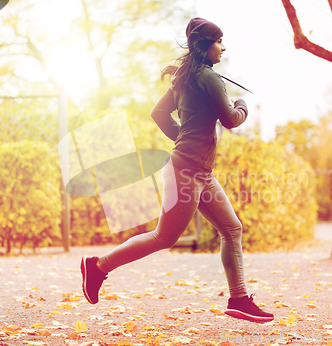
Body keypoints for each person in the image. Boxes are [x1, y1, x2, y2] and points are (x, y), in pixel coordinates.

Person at [81, 17, 274, 323]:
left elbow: (158, 112)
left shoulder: (185, 79)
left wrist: (181, 136)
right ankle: (98, 267)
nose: (223, 47)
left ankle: (239, 299)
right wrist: (243, 105)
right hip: (186, 169)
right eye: (219, 42)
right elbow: (230, 119)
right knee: (164, 238)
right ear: (205, 45)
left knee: (232, 228)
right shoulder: (209, 79)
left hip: (200, 171)